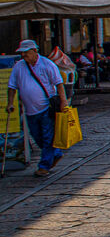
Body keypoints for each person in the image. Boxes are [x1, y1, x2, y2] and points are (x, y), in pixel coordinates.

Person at [5, 40, 69, 176]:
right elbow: (12, 86)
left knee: (47, 137)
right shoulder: (19, 67)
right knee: (37, 136)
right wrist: (10, 103)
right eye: (22, 53)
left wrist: (63, 101)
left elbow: (59, 84)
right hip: (30, 110)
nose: (23, 55)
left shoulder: (47, 64)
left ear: (35, 51)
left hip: (47, 107)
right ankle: (55, 153)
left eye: (26, 53)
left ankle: (44, 166)